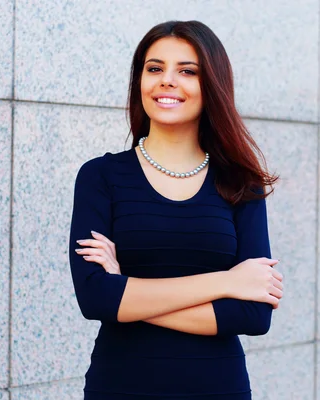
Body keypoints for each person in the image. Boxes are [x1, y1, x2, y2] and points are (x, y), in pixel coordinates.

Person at [68, 20, 284, 399]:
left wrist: (127, 294)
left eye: (187, 71)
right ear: (140, 81)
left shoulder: (240, 183)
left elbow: (253, 316)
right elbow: (95, 299)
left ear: (212, 86)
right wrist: (227, 282)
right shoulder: (100, 176)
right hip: (120, 386)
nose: (167, 80)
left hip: (218, 388)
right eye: (155, 68)